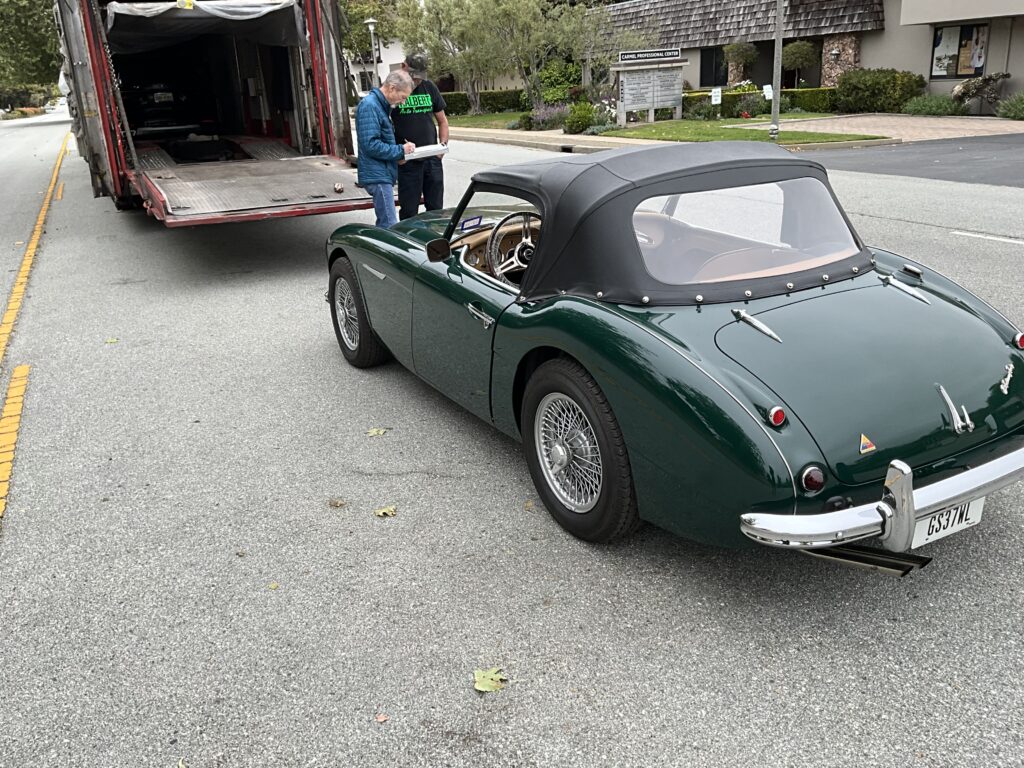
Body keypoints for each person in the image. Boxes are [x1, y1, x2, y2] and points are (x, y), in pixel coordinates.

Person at [391, 53, 449, 220]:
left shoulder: (429, 87)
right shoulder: (393, 91)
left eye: (419, 77)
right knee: (409, 212)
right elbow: (385, 126)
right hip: (408, 161)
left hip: (432, 159)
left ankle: (434, 244)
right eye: (413, 76)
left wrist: (442, 148)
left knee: (436, 211)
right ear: (404, 67)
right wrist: (397, 155)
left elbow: (442, 121)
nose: (416, 81)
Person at [355, 70, 416, 228]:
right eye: (403, 97)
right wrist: (400, 150)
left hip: (380, 173)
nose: (403, 102)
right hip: (377, 175)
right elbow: (371, 145)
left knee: (385, 223)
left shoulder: (379, 105)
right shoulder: (370, 106)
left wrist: (399, 154)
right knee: (389, 225)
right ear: (392, 88)